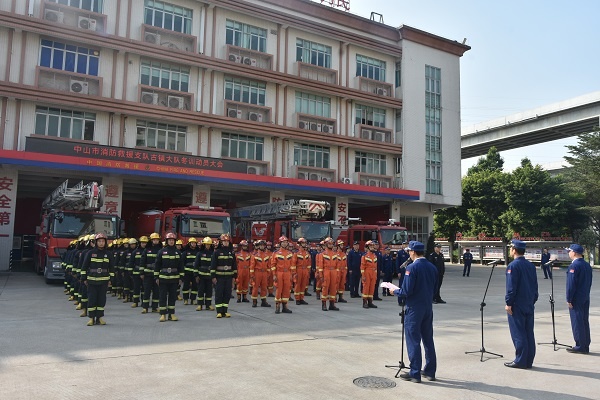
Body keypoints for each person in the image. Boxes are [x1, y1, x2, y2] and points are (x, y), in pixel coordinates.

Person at [389, 240, 438, 383]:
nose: (409, 254)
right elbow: (435, 289)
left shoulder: (412, 267)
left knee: (413, 340)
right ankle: (430, 371)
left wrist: (395, 291)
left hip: (414, 308)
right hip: (427, 307)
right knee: (428, 340)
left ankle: (415, 372)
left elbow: (406, 291)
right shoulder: (432, 267)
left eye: (409, 251)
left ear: (413, 252)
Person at [504, 239, 538, 369]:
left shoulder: (513, 266)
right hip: (528, 303)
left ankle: (520, 360)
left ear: (513, 250)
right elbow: (535, 287)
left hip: (517, 304)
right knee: (529, 332)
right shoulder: (530, 266)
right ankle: (529, 360)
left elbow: (511, 288)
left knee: (518, 333)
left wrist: (509, 303)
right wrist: (532, 300)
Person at [565, 243, 592, 354]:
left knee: (577, 321)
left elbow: (571, 285)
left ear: (574, 253)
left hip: (576, 298)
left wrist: (569, 299)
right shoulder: (587, 265)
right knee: (584, 321)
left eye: (569, 251)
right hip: (585, 296)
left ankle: (580, 345)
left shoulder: (574, 266)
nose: (568, 253)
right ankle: (585, 344)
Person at [81, 233, 114, 326]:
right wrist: (84, 278)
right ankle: (91, 318)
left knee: (101, 300)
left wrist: (111, 279)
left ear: (105, 242)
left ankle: (99, 318)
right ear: (96, 242)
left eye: (103, 241)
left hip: (104, 281)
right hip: (92, 281)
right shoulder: (90, 253)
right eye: (99, 241)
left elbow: (112, 268)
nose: (101, 243)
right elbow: (84, 267)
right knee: (92, 299)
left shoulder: (108, 254)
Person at [155, 232, 184, 322]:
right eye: (170, 240)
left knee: (172, 297)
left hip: (174, 279)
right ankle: (163, 314)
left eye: (173, 240)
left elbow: (181, 266)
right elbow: (157, 265)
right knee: (162, 296)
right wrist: (156, 277)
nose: (171, 242)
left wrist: (181, 278)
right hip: (163, 278)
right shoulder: (161, 252)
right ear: (167, 241)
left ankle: (171, 314)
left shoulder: (178, 252)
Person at [211, 233, 237, 318]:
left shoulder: (231, 253)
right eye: (224, 241)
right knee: (219, 293)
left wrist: (234, 277)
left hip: (229, 277)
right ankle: (219, 311)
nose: (226, 243)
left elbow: (234, 265)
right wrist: (213, 276)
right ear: (221, 242)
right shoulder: (217, 252)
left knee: (227, 294)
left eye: (227, 241)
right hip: (219, 277)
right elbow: (213, 265)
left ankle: (225, 311)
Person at [270, 235, 295, 314]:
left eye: (286, 242)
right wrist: (274, 275)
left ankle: (285, 307)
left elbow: (292, 265)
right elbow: (273, 265)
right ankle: (277, 307)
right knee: (279, 289)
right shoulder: (276, 253)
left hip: (287, 273)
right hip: (279, 273)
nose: (284, 244)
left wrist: (292, 274)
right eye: (283, 242)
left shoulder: (290, 253)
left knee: (286, 289)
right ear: (280, 243)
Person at [140, 233, 161, 314]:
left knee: (156, 291)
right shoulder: (147, 250)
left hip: (157, 275)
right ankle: (145, 307)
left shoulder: (161, 249)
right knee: (147, 291)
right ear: (151, 240)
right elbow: (142, 262)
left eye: (157, 240)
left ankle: (155, 307)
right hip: (147, 274)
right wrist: (141, 273)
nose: (155, 241)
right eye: (154, 240)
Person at [194, 237, 215, 311]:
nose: (208, 246)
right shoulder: (199, 254)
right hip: (201, 276)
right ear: (204, 245)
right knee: (200, 291)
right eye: (206, 244)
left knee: (209, 291)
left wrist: (214, 276)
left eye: (209, 245)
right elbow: (196, 265)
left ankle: (208, 305)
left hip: (209, 276)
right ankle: (200, 304)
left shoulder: (213, 254)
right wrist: (196, 275)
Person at [250, 240, 272, 308]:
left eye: (263, 245)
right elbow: (252, 266)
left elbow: (268, 266)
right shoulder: (255, 255)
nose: (262, 246)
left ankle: (263, 301)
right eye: (261, 245)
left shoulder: (266, 255)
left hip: (264, 273)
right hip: (257, 272)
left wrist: (268, 274)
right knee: (255, 287)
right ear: (258, 246)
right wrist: (252, 275)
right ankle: (254, 301)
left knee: (264, 287)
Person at [360, 241, 378, 309]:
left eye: (373, 246)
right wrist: (363, 275)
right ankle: (364, 302)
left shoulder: (375, 256)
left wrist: (375, 275)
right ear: (368, 247)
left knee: (372, 287)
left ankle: (370, 302)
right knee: (366, 288)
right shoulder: (364, 256)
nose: (372, 248)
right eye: (371, 246)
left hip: (373, 273)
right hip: (367, 272)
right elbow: (362, 267)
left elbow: (376, 267)